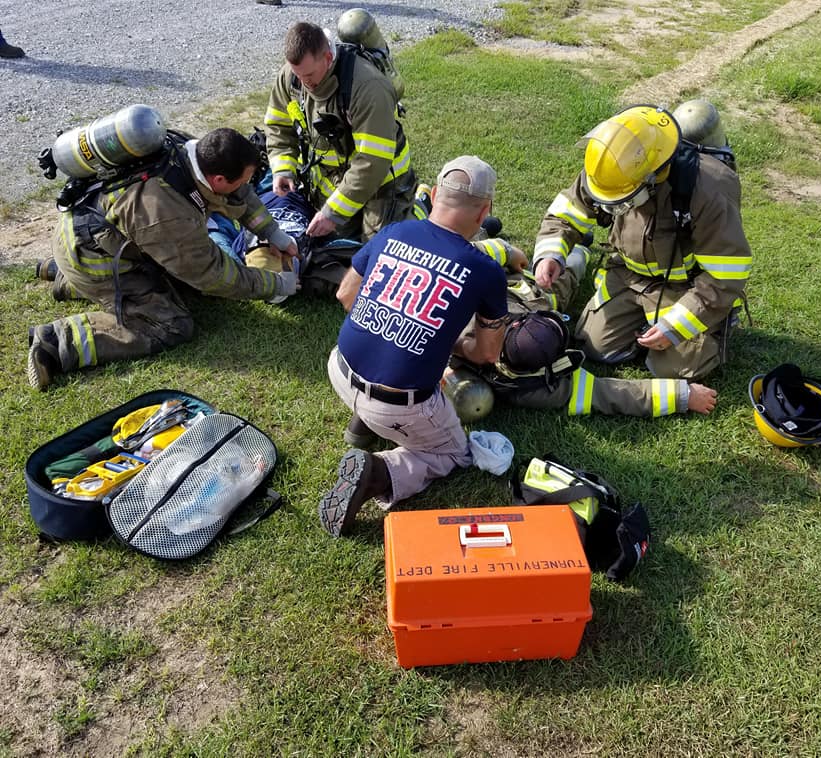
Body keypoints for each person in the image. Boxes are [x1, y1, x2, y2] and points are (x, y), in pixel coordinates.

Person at [318, 156, 508, 537]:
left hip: (339, 369)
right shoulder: (485, 270)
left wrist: (392, 327)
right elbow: (487, 353)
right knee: (452, 453)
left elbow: (345, 293)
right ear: (484, 211)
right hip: (397, 403)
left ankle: (363, 420)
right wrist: (452, 345)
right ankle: (377, 473)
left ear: (435, 195)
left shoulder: (392, 233)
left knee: (389, 365)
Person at [27, 128, 299, 390]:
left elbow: (241, 194)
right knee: (171, 324)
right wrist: (275, 284)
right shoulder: (168, 212)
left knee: (182, 282)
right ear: (218, 180)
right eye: (241, 179)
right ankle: (56, 342)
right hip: (91, 258)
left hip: (91, 237)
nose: (244, 186)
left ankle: (63, 278)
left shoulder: (188, 149)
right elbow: (213, 275)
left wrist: (273, 234)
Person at [534, 105, 752, 381]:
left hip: (684, 286)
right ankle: (645, 318)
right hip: (628, 275)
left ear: (653, 176)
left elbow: (726, 275)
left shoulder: (710, 189)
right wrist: (550, 255)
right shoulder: (610, 164)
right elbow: (567, 213)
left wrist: (676, 326)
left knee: (674, 371)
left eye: (624, 200)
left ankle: (716, 323)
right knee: (595, 347)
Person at [453, 243, 718, 418]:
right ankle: (579, 252)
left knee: (553, 281)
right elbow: (612, 394)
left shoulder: (461, 308)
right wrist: (685, 396)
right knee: (559, 285)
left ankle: (577, 252)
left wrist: (508, 253)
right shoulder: (539, 389)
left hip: (517, 288)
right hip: (529, 295)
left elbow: (463, 251)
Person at [263, 22, 415, 247]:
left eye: (309, 74)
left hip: (381, 183)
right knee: (337, 246)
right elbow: (279, 126)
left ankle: (416, 208)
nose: (304, 83)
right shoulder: (292, 77)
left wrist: (333, 212)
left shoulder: (368, 87)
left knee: (378, 249)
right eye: (298, 74)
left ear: (327, 57)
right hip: (334, 181)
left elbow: (372, 162)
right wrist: (283, 169)